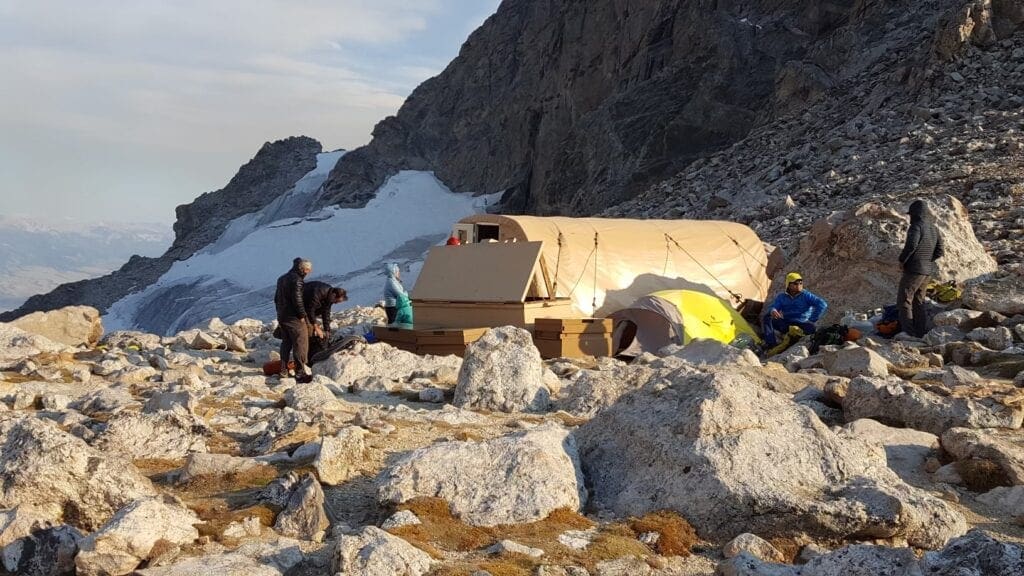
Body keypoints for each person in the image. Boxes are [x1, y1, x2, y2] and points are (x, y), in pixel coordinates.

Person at [898, 199, 944, 337]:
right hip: (926, 271)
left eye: (911, 214)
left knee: (904, 301)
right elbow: (940, 251)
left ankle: (908, 334)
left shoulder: (916, 226)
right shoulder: (933, 228)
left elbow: (911, 246)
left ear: (915, 214)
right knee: (919, 302)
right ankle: (921, 333)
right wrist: (927, 260)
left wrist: (902, 260)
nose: (910, 217)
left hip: (913, 269)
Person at [762, 272, 829, 348]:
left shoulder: (806, 295)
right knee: (768, 318)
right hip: (787, 324)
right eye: (796, 283)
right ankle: (771, 344)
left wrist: (812, 319)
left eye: (801, 283)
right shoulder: (782, 297)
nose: (799, 285)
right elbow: (774, 306)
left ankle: (795, 337)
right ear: (789, 285)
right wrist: (773, 310)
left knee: (811, 328)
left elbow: (822, 304)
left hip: (802, 324)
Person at [274, 258, 313, 382]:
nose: (308, 272)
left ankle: (283, 369)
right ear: (302, 269)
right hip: (293, 317)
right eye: (307, 270)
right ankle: (300, 371)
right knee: (300, 342)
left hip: (282, 316)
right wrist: (302, 315)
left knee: (286, 342)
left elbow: (276, 298)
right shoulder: (297, 280)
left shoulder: (281, 279)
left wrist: (280, 313)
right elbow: (297, 299)